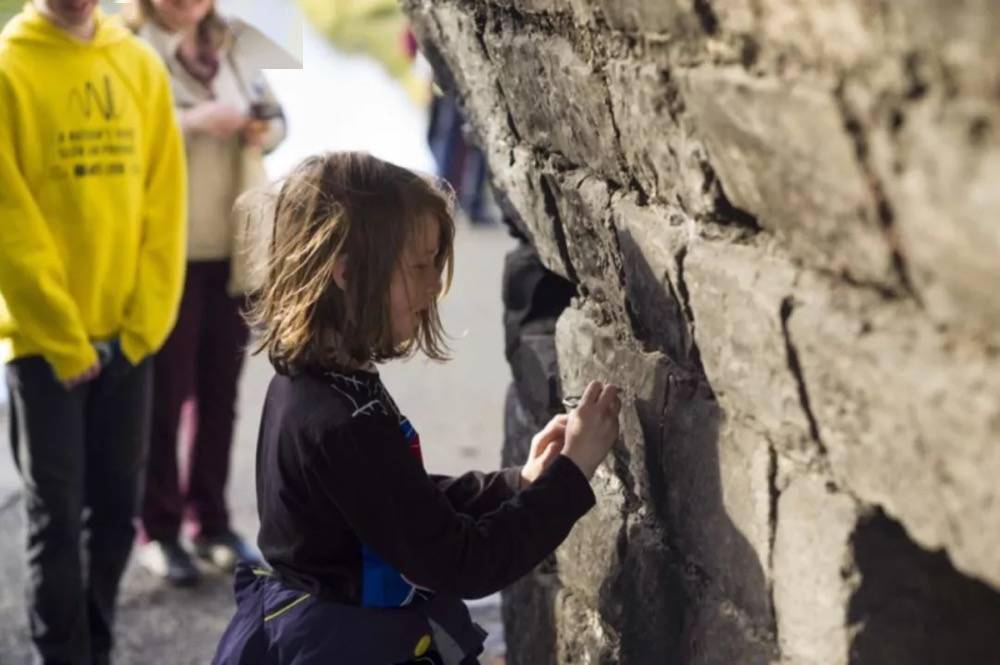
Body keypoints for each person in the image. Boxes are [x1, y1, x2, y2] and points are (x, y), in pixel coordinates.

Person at [209, 152, 621, 664]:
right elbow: (463, 563)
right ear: (346, 272)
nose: (433, 287)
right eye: (419, 266)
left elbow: (404, 498)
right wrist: (572, 475)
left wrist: (519, 482)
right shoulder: (341, 422)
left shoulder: (315, 381)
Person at [0, 0, 187, 663]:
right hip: (44, 347)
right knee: (55, 521)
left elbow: (167, 204)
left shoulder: (137, 63)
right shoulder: (9, 67)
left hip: (130, 338)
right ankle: (62, 653)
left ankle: (95, 647)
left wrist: (144, 326)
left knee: (114, 514)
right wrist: (63, 337)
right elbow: (9, 222)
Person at [126, 0, 287, 587]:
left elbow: (277, 120)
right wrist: (191, 124)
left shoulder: (235, 45)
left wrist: (261, 126)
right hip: (167, 248)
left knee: (220, 393)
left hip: (235, 249)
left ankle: (211, 522)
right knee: (165, 396)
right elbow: (126, 136)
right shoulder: (131, 46)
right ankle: (159, 529)